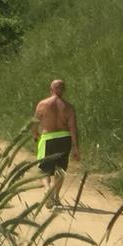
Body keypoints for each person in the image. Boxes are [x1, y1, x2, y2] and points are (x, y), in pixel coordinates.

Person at [32, 78, 80, 207]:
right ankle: (56, 197)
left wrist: (35, 135)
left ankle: (48, 190)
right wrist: (76, 147)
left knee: (44, 169)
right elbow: (73, 128)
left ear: (51, 90)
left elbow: (35, 122)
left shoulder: (42, 104)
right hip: (65, 138)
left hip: (48, 138)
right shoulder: (69, 107)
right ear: (63, 90)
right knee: (60, 169)